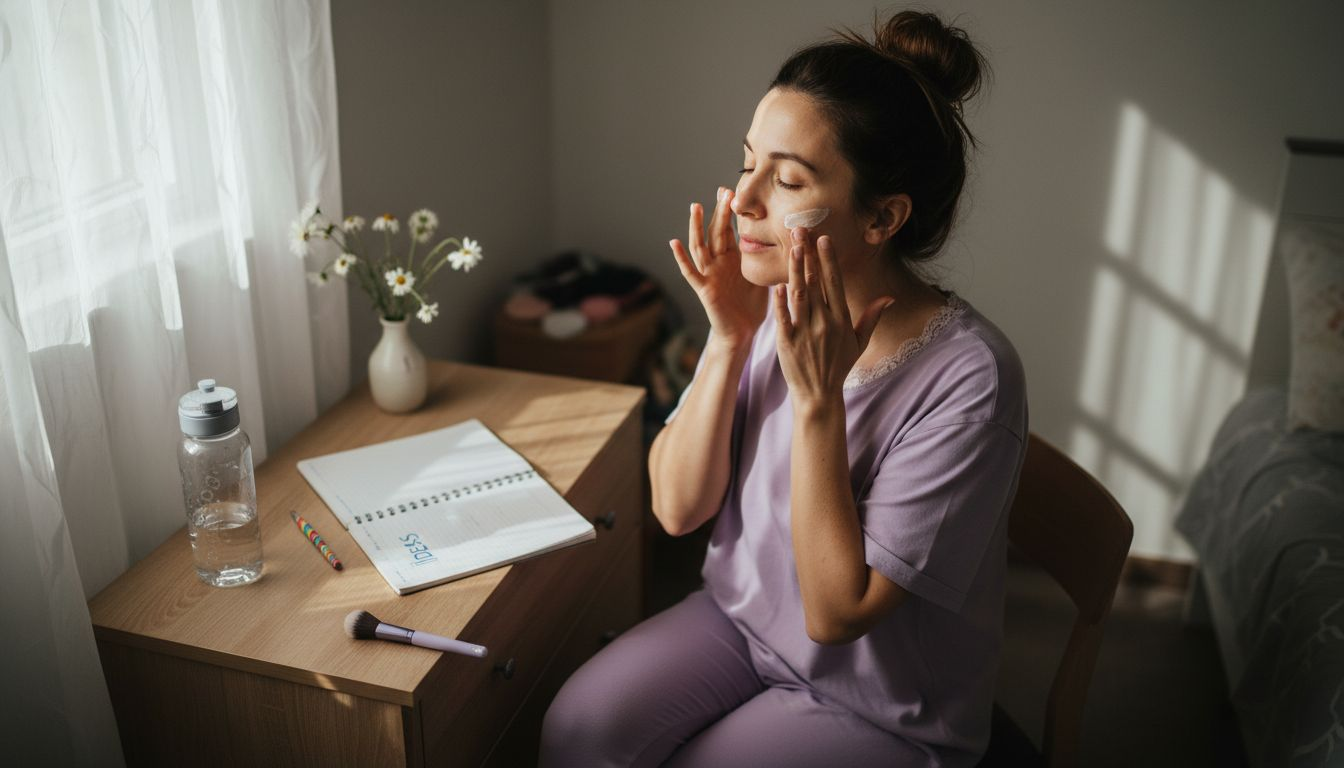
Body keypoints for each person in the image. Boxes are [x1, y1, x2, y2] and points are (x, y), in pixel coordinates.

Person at [540, 9, 1026, 767]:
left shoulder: (971, 378)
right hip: (740, 623)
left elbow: (838, 615)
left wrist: (818, 401)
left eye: (789, 178)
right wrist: (729, 336)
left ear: (883, 217)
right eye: (748, 163)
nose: (745, 200)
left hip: (884, 702)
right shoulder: (771, 302)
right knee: (578, 729)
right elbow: (676, 508)